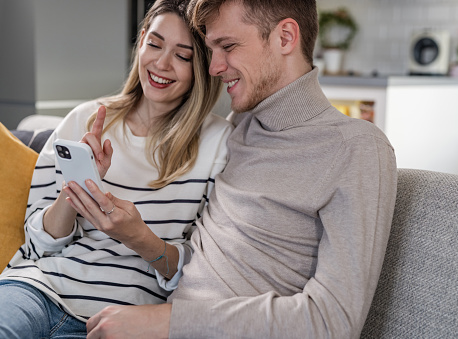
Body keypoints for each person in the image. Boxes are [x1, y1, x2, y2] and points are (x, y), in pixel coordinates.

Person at [76, 0, 398, 338]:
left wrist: (166, 322)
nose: (214, 67)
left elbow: (333, 322)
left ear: (285, 37)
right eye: (211, 49)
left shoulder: (355, 148)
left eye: (227, 46)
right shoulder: (241, 126)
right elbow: (208, 269)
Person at [0, 0, 232, 337]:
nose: (162, 64)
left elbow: (203, 274)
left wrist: (138, 237)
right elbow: (38, 244)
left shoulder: (219, 144)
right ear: (140, 42)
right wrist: (76, 188)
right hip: (37, 289)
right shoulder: (85, 119)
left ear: (203, 67)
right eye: (154, 44)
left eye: (183, 56)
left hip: (119, 316)